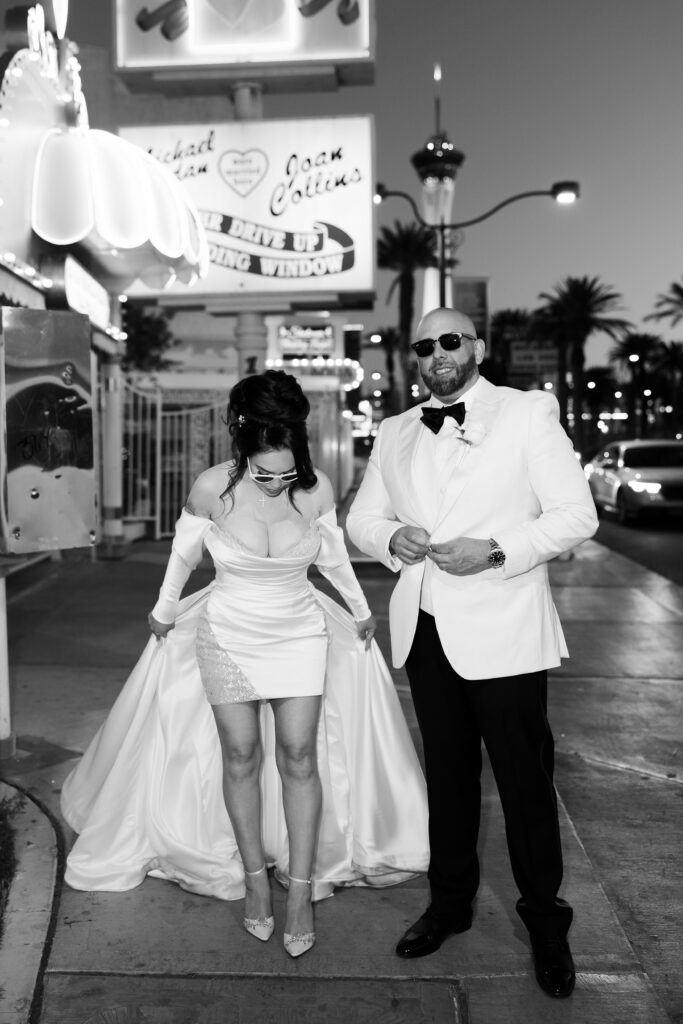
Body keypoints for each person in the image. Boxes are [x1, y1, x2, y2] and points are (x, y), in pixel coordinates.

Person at [61, 369, 429, 959]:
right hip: (228, 633)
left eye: (288, 471)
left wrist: (361, 610)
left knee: (301, 756)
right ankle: (257, 884)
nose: (279, 482)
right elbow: (182, 558)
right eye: (266, 473)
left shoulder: (317, 489)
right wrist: (162, 611)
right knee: (240, 756)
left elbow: (334, 562)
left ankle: (302, 892)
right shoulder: (212, 488)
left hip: (299, 632)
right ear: (243, 443)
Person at [346, 307, 598, 997]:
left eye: (449, 341)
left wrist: (494, 551)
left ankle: (546, 926)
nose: (436, 354)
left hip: (506, 632)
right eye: (423, 346)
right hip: (426, 631)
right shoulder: (397, 430)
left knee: (523, 785)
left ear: (477, 348)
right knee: (447, 781)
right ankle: (449, 906)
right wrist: (388, 536)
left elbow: (577, 514)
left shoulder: (525, 413)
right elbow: (360, 516)